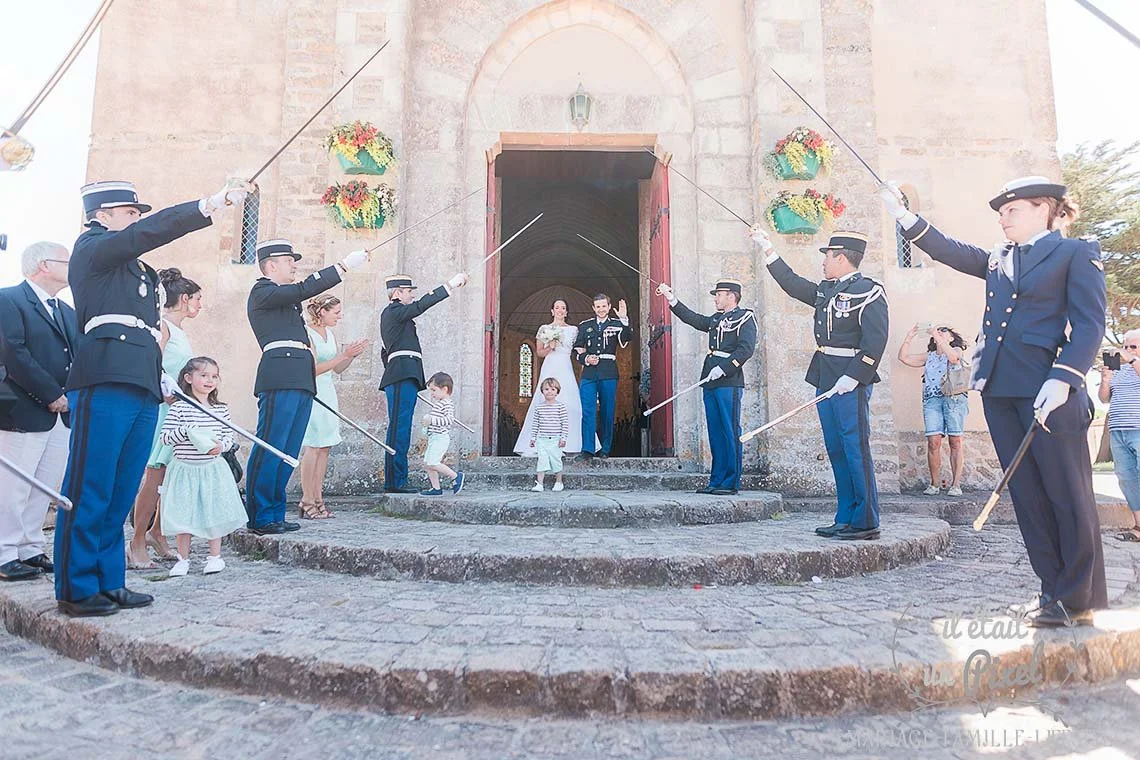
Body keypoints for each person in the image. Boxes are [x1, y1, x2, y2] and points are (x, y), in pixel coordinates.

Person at [882, 175, 1107, 627]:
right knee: (1029, 497)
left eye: (1012, 210)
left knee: (1068, 495)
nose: (1003, 219)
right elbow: (950, 250)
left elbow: (1089, 325)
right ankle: (1051, 591)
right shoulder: (999, 258)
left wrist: (1064, 378)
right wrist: (904, 216)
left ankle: (1078, 597)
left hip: (1050, 391)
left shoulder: (1075, 253)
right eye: (1001, 213)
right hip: (1001, 389)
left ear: (1045, 208)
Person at [55, 178, 249, 617]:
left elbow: (147, 333)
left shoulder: (138, 271)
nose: (137, 220)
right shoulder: (92, 248)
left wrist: (159, 379)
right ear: (101, 216)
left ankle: (109, 581)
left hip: (141, 382)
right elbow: (148, 234)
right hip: (104, 376)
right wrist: (209, 203)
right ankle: (77, 586)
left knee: (122, 487)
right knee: (92, 485)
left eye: (138, 214)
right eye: (129, 212)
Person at [752, 228, 889, 540]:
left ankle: (866, 519)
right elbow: (793, 284)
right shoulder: (827, 290)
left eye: (827, 256)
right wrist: (768, 249)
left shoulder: (869, 292)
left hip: (850, 380)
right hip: (827, 375)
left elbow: (876, 342)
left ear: (841, 258)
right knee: (837, 448)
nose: (823, 262)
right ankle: (846, 515)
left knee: (855, 448)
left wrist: (854, 377)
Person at [245, 240, 367, 534]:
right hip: (281, 376)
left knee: (287, 450)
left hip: (299, 378)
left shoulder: (285, 302)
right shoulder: (262, 291)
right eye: (288, 260)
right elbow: (303, 289)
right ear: (270, 265)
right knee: (271, 446)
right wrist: (342, 266)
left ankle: (275, 511)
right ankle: (260, 515)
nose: (294, 265)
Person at [0, 241, 77, 581]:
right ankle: (4, 552)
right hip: (23, 410)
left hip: (62, 413)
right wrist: (49, 394)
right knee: (14, 485)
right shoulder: (9, 300)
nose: (71, 267)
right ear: (44, 265)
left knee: (44, 483)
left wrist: (69, 395)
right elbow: (13, 353)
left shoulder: (66, 311)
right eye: (66, 261)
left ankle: (29, 548)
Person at [126, 267, 201, 568]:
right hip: (164, 410)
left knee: (169, 475)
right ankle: (137, 540)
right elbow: (150, 360)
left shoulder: (180, 330)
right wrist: (162, 384)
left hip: (181, 410)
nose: (199, 305)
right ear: (184, 299)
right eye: (197, 299)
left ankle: (158, 531)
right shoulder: (163, 326)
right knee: (154, 474)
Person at [655, 278, 757, 495]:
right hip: (710, 379)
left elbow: (746, 349)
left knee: (729, 430)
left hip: (728, 380)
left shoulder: (745, 317)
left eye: (719, 294)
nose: (716, 298)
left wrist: (725, 367)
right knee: (716, 431)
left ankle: (730, 482)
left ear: (731, 296)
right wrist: (671, 298)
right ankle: (717, 480)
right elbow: (694, 319)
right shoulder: (717, 319)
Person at [379, 272, 468, 493]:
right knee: (399, 429)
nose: (411, 296)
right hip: (401, 374)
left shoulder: (400, 317)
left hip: (404, 375)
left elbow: (385, 352)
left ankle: (397, 479)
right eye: (408, 292)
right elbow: (421, 306)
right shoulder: (394, 311)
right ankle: (396, 481)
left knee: (403, 427)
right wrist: (450, 284)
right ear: (397, 293)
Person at [159, 357, 247, 576]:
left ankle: (215, 557)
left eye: (214, 376)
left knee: (212, 512)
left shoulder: (220, 409)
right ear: (189, 378)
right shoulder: (179, 408)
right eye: (204, 375)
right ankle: (183, 559)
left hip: (211, 470)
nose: (210, 380)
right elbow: (165, 437)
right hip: (185, 470)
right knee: (184, 515)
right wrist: (186, 431)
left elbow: (229, 435)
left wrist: (222, 446)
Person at [299, 294, 367, 519]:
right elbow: (312, 370)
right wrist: (343, 355)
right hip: (313, 390)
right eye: (336, 312)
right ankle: (306, 499)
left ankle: (318, 498)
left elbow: (337, 369)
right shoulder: (307, 334)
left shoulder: (329, 334)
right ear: (322, 312)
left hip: (328, 391)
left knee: (325, 446)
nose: (340, 316)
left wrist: (351, 356)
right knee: (313, 445)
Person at [897, 323, 970, 496]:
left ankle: (956, 485)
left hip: (954, 399)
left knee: (955, 441)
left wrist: (937, 335)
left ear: (951, 338)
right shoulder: (929, 356)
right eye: (938, 331)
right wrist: (910, 336)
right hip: (932, 400)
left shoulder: (957, 350)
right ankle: (934, 484)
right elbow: (904, 358)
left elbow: (953, 358)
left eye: (944, 331)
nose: (940, 332)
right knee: (933, 441)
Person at [514, 299, 593, 456]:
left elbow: (579, 350)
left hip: (565, 366)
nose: (560, 310)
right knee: (545, 401)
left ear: (566, 312)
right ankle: (540, 442)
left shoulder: (574, 330)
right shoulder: (544, 328)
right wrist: (550, 346)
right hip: (550, 365)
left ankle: (572, 443)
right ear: (552, 311)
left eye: (563, 308)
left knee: (571, 403)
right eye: (557, 307)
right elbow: (539, 353)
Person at [572, 293, 631, 460]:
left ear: (608, 306)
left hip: (608, 372)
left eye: (604, 306)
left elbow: (627, 338)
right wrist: (585, 359)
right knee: (588, 410)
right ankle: (588, 450)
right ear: (593, 308)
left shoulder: (617, 324)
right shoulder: (585, 326)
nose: (601, 309)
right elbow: (576, 348)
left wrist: (624, 319)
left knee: (607, 411)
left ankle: (605, 449)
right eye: (598, 307)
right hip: (589, 373)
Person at [1099, 331, 1140, 543]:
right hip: (1118, 431)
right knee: (1127, 478)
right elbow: (1104, 399)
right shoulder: (1120, 371)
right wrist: (1105, 380)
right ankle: (1139, 526)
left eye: (1134, 347)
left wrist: (1132, 359)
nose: (1127, 350)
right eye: (1126, 346)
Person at [419, 372, 463, 496]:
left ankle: (456, 476)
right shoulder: (439, 404)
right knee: (427, 464)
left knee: (433, 463)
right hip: (434, 438)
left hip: (440, 439)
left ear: (444, 389)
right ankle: (436, 488)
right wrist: (426, 426)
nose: (432, 394)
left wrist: (431, 420)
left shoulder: (447, 404)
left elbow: (449, 420)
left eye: (434, 390)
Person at [528, 377, 569, 492]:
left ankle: (559, 482)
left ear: (557, 392)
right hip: (542, 439)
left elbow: (565, 423)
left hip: (556, 439)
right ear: (542, 391)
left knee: (556, 460)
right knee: (542, 460)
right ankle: (539, 484)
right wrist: (533, 438)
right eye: (546, 389)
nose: (549, 392)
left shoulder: (560, 407)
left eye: (553, 389)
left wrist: (563, 438)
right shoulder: (539, 407)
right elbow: (536, 423)